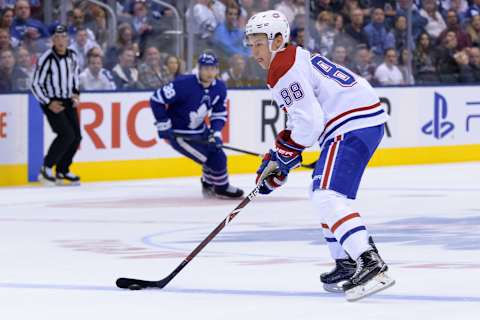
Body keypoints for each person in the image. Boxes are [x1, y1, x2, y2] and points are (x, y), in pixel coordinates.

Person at [245, 10, 394, 302]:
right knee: (321, 192)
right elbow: (299, 119)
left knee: (328, 195)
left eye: (259, 43)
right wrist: (279, 156)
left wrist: (284, 158)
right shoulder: (289, 59)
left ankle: (370, 262)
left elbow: (310, 123)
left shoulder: (282, 67)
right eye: (250, 44)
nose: (254, 51)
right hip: (359, 119)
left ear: (277, 40)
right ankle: (346, 261)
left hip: (352, 122)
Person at [149, 52, 244, 199]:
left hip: (201, 130)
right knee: (212, 159)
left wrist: (216, 132)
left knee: (218, 154)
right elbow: (156, 99)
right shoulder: (183, 83)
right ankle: (221, 187)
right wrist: (163, 125)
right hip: (180, 135)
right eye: (205, 68)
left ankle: (208, 184)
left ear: (217, 70)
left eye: (212, 68)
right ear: (198, 68)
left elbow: (219, 113)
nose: (209, 72)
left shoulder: (219, 88)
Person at [30, 25, 82, 186]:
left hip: (68, 101)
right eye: (57, 37)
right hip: (52, 101)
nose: (61, 40)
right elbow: (35, 84)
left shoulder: (72, 56)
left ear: (68, 39)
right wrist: (48, 102)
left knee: (76, 136)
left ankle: (62, 170)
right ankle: (46, 168)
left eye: (64, 37)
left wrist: (75, 93)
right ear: (52, 40)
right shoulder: (46, 58)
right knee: (66, 134)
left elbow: (74, 77)